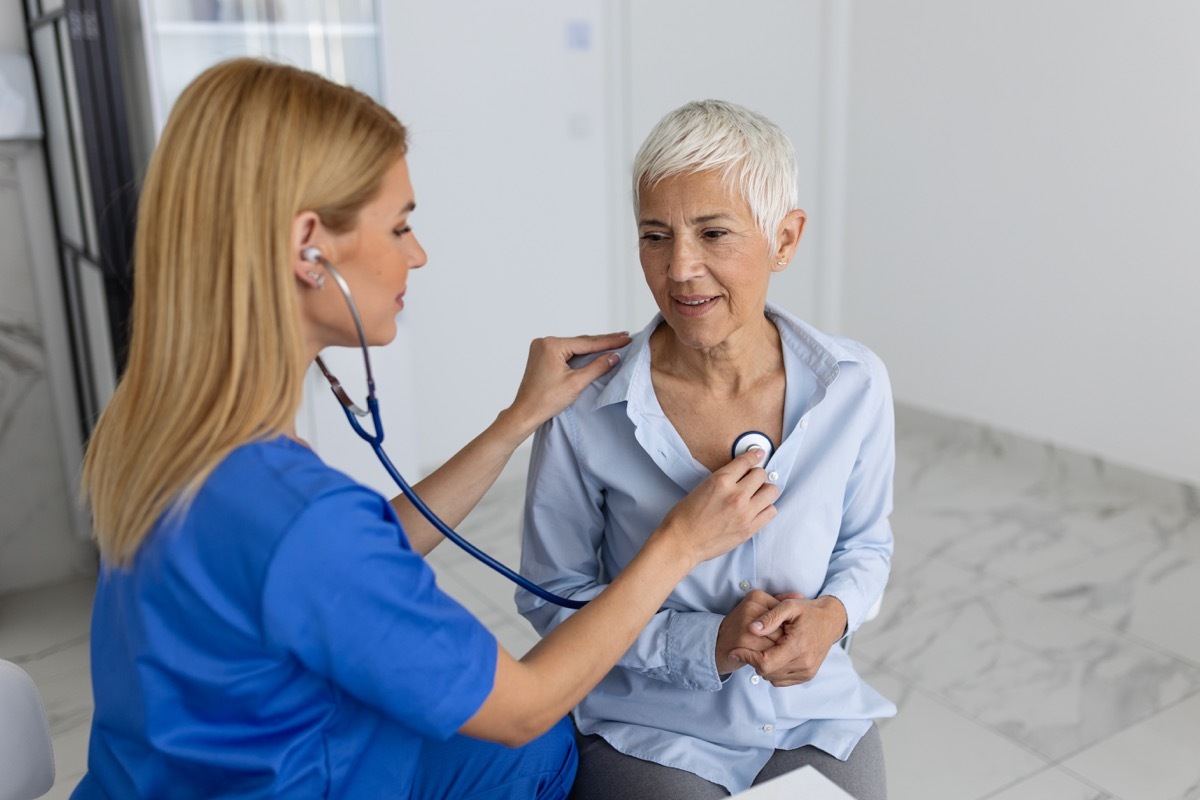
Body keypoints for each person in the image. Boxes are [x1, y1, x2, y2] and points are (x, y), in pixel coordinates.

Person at [71, 61, 781, 799]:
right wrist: (680, 544)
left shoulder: (170, 435)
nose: (418, 253)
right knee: (539, 745)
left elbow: (344, 560)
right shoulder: (299, 516)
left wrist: (514, 424)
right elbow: (524, 704)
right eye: (401, 225)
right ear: (309, 246)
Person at [517, 99, 897, 799]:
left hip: (810, 713)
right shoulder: (585, 410)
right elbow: (552, 598)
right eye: (655, 235)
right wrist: (706, 645)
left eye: (714, 232)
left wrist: (832, 617)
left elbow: (867, 545)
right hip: (651, 722)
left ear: (785, 239)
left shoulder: (854, 385)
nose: (681, 267)